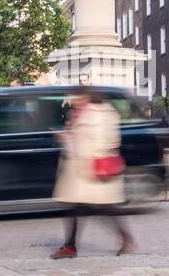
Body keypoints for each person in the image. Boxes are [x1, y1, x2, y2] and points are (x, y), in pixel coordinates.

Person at [50, 88, 136, 259]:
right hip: (81, 170)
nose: (69, 99)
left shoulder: (99, 115)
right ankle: (71, 246)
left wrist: (92, 159)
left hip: (93, 169)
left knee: (101, 208)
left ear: (83, 97)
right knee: (81, 208)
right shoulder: (79, 113)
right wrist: (66, 137)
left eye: (72, 96)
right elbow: (79, 138)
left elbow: (105, 140)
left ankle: (125, 239)